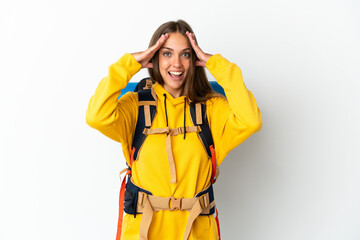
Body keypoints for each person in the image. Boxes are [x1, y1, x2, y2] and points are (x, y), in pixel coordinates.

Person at [86, 20, 262, 240]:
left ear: (195, 59)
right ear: (155, 58)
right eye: (167, 54)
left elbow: (251, 121)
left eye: (185, 54)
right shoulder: (136, 106)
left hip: (197, 233)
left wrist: (217, 65)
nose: (176, 63)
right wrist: (129, 65)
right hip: (143, 232)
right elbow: (96, 116)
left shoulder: (211, 109)